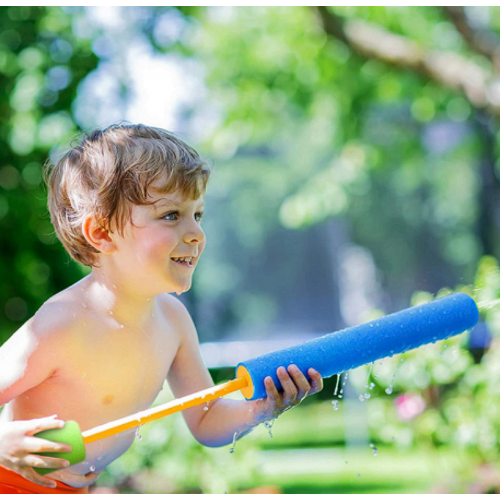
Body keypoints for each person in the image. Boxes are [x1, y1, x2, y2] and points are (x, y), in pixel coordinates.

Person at [0, 124, 323, 493]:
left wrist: (263, 408)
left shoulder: (172, 321)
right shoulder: (62, 325)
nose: (196, 233)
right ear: (101, 234)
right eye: (171, 215)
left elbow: (207, 418)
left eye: (197, 215)